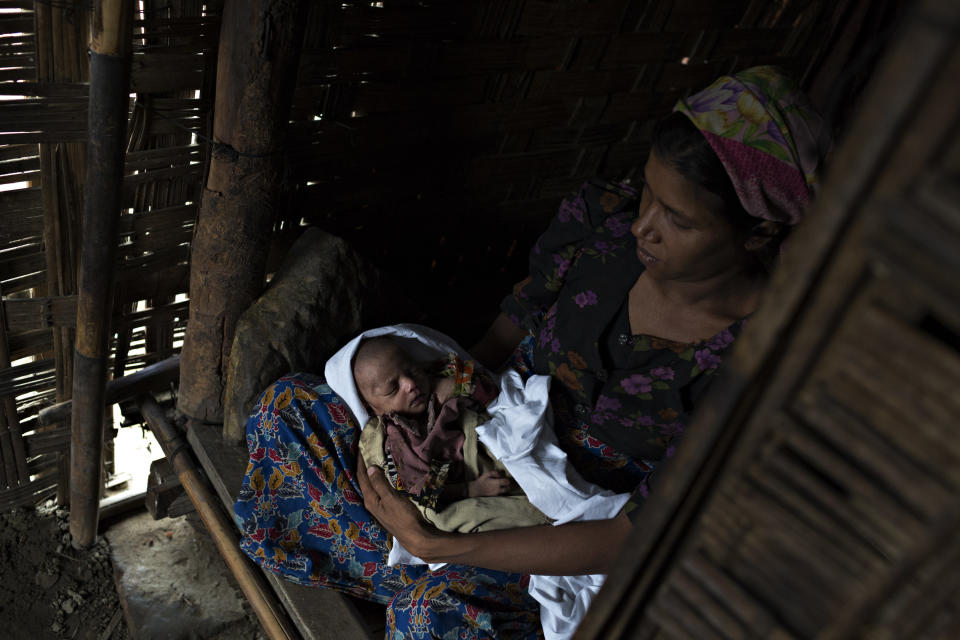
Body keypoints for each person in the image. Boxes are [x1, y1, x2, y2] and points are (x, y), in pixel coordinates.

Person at [233, 66, 831, 638]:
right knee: (289, 410)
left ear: (758, 232)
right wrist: (433, 417)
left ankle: (415, 567)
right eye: (648, 193)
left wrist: (437, 544)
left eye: (678, 219)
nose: (644, 225)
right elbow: (500, 339)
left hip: (564, 532)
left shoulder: (753, 365)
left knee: (432, 617)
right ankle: (413, 560)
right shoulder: (605, 227)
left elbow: (632, 535)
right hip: (485, 432)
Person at [351, 335, 550, 533]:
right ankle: (541, 516)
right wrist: (472, 489)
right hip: (462, 484)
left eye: (412, 370)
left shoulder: (439, 375)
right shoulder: (399, 440)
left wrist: (455, 385)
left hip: (487, 442)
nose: (410, 384)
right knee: (450, 518)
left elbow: (490, 391)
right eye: (393, 389)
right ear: (374, 408)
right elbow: (425, 492)